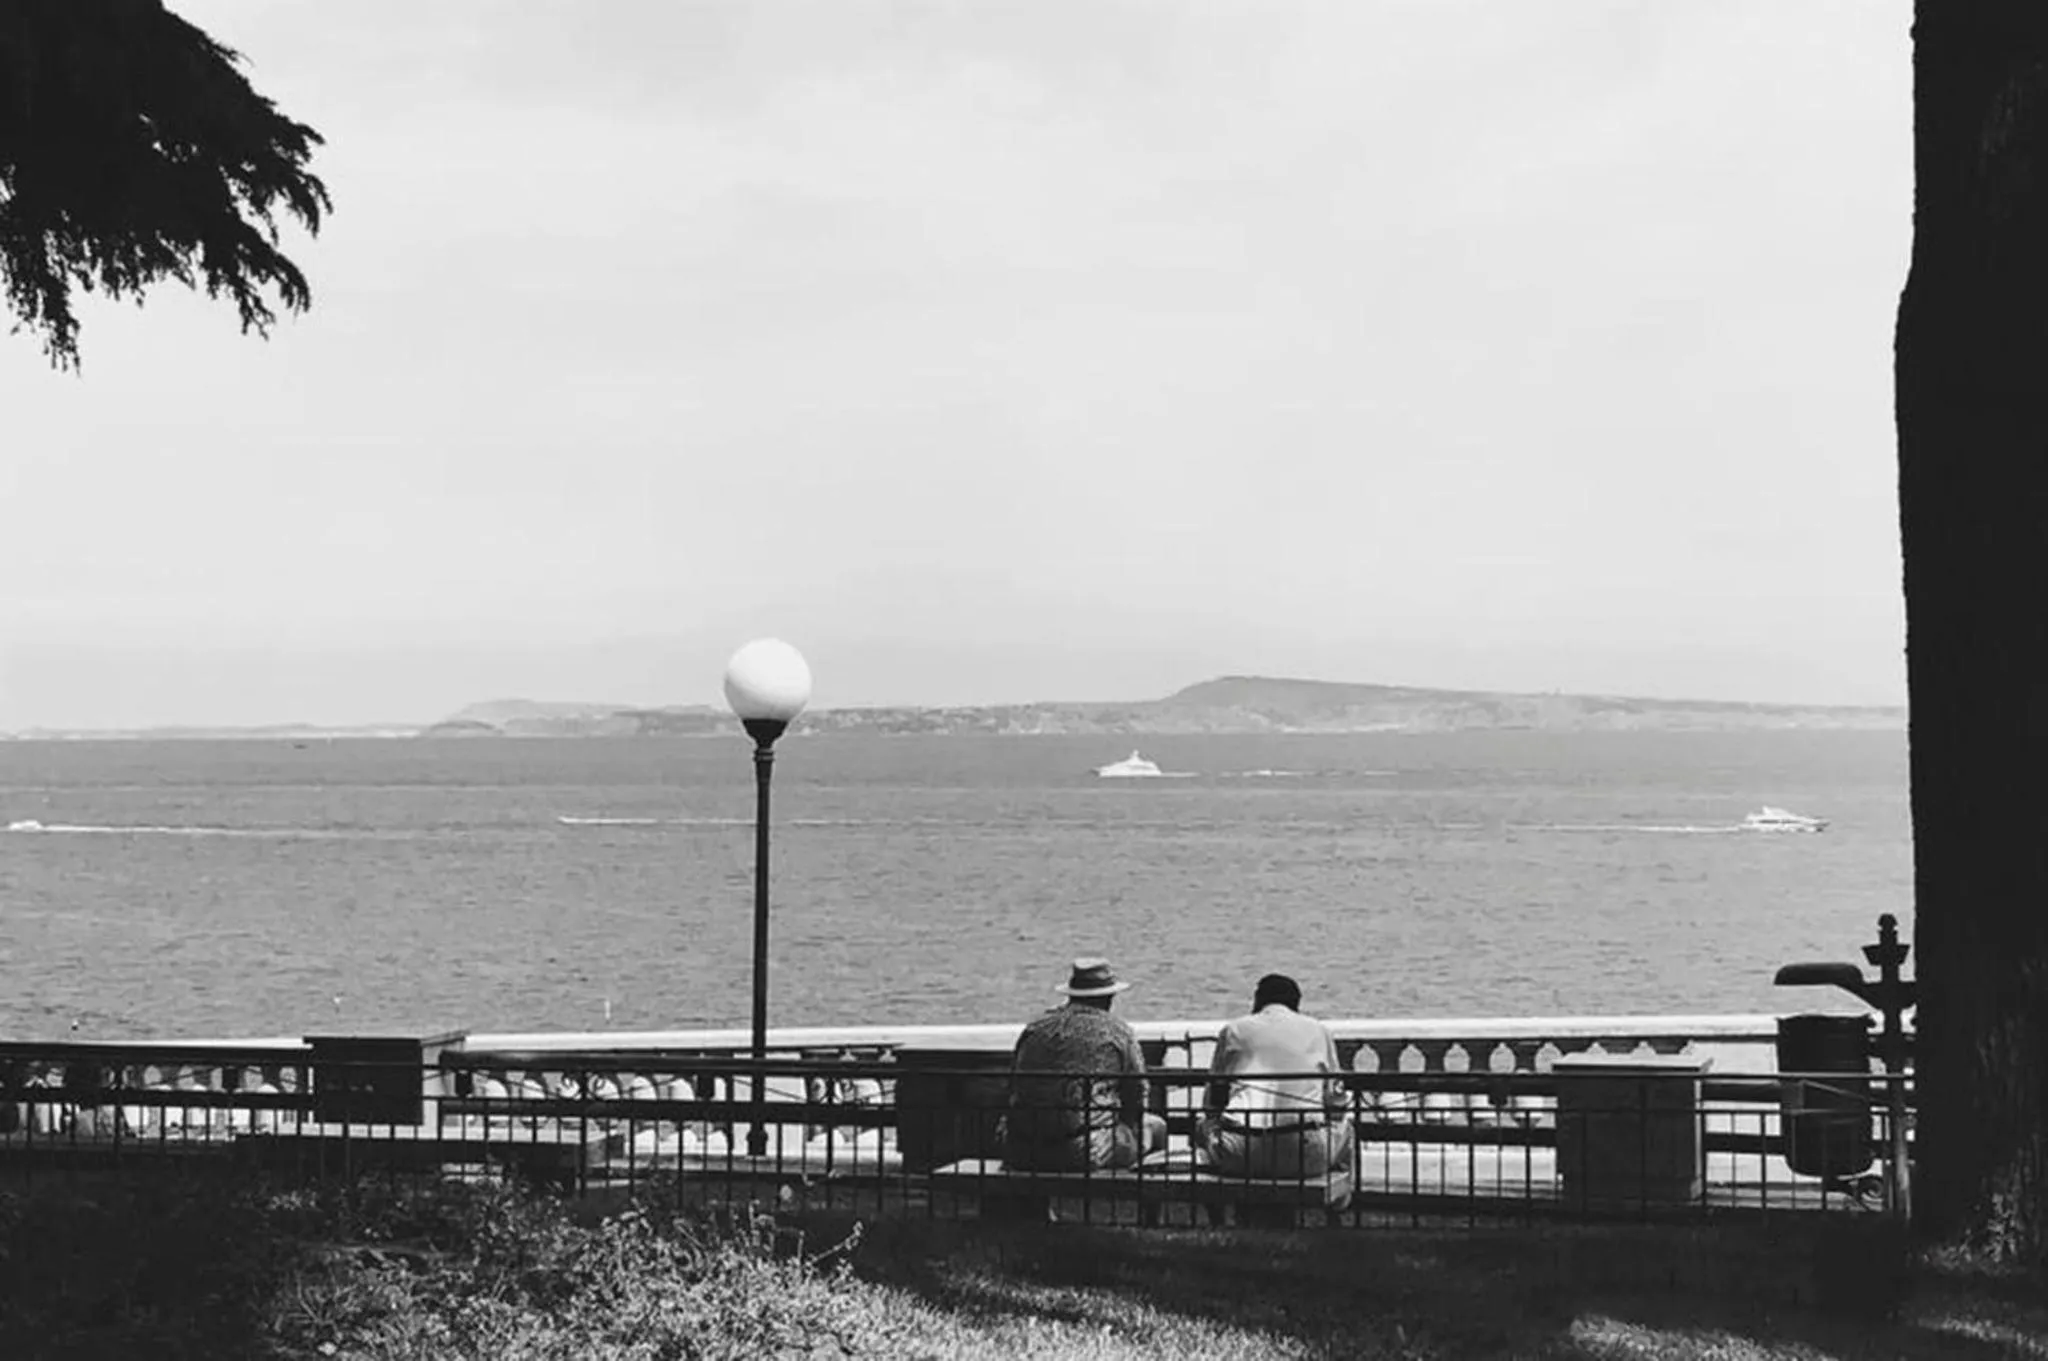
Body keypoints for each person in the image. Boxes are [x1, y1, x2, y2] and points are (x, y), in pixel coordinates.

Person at [1000, 957, 1168, 1171]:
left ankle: (1034, 1205)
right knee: (1156, 1127)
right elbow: (1137, 1094)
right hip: (1082, 1149)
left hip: (1020, 1147)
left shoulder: (1036, 1028)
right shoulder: (1117, 1031)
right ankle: (1146, 1201)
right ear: (1109, 997)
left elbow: (1013, 1085)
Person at [1197, 973, 1353, 1183]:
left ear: (1258, 1000)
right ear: (1296, 1003)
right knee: (1348, 1129)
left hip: (1239, 1149)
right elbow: (1336, 1100)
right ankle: (1339, 1206)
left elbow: (1213, 1100)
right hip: (1303, 1150)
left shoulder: (1233, 1030)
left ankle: (1215, 1213)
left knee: (1201, 1126)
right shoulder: (1318, 1031)